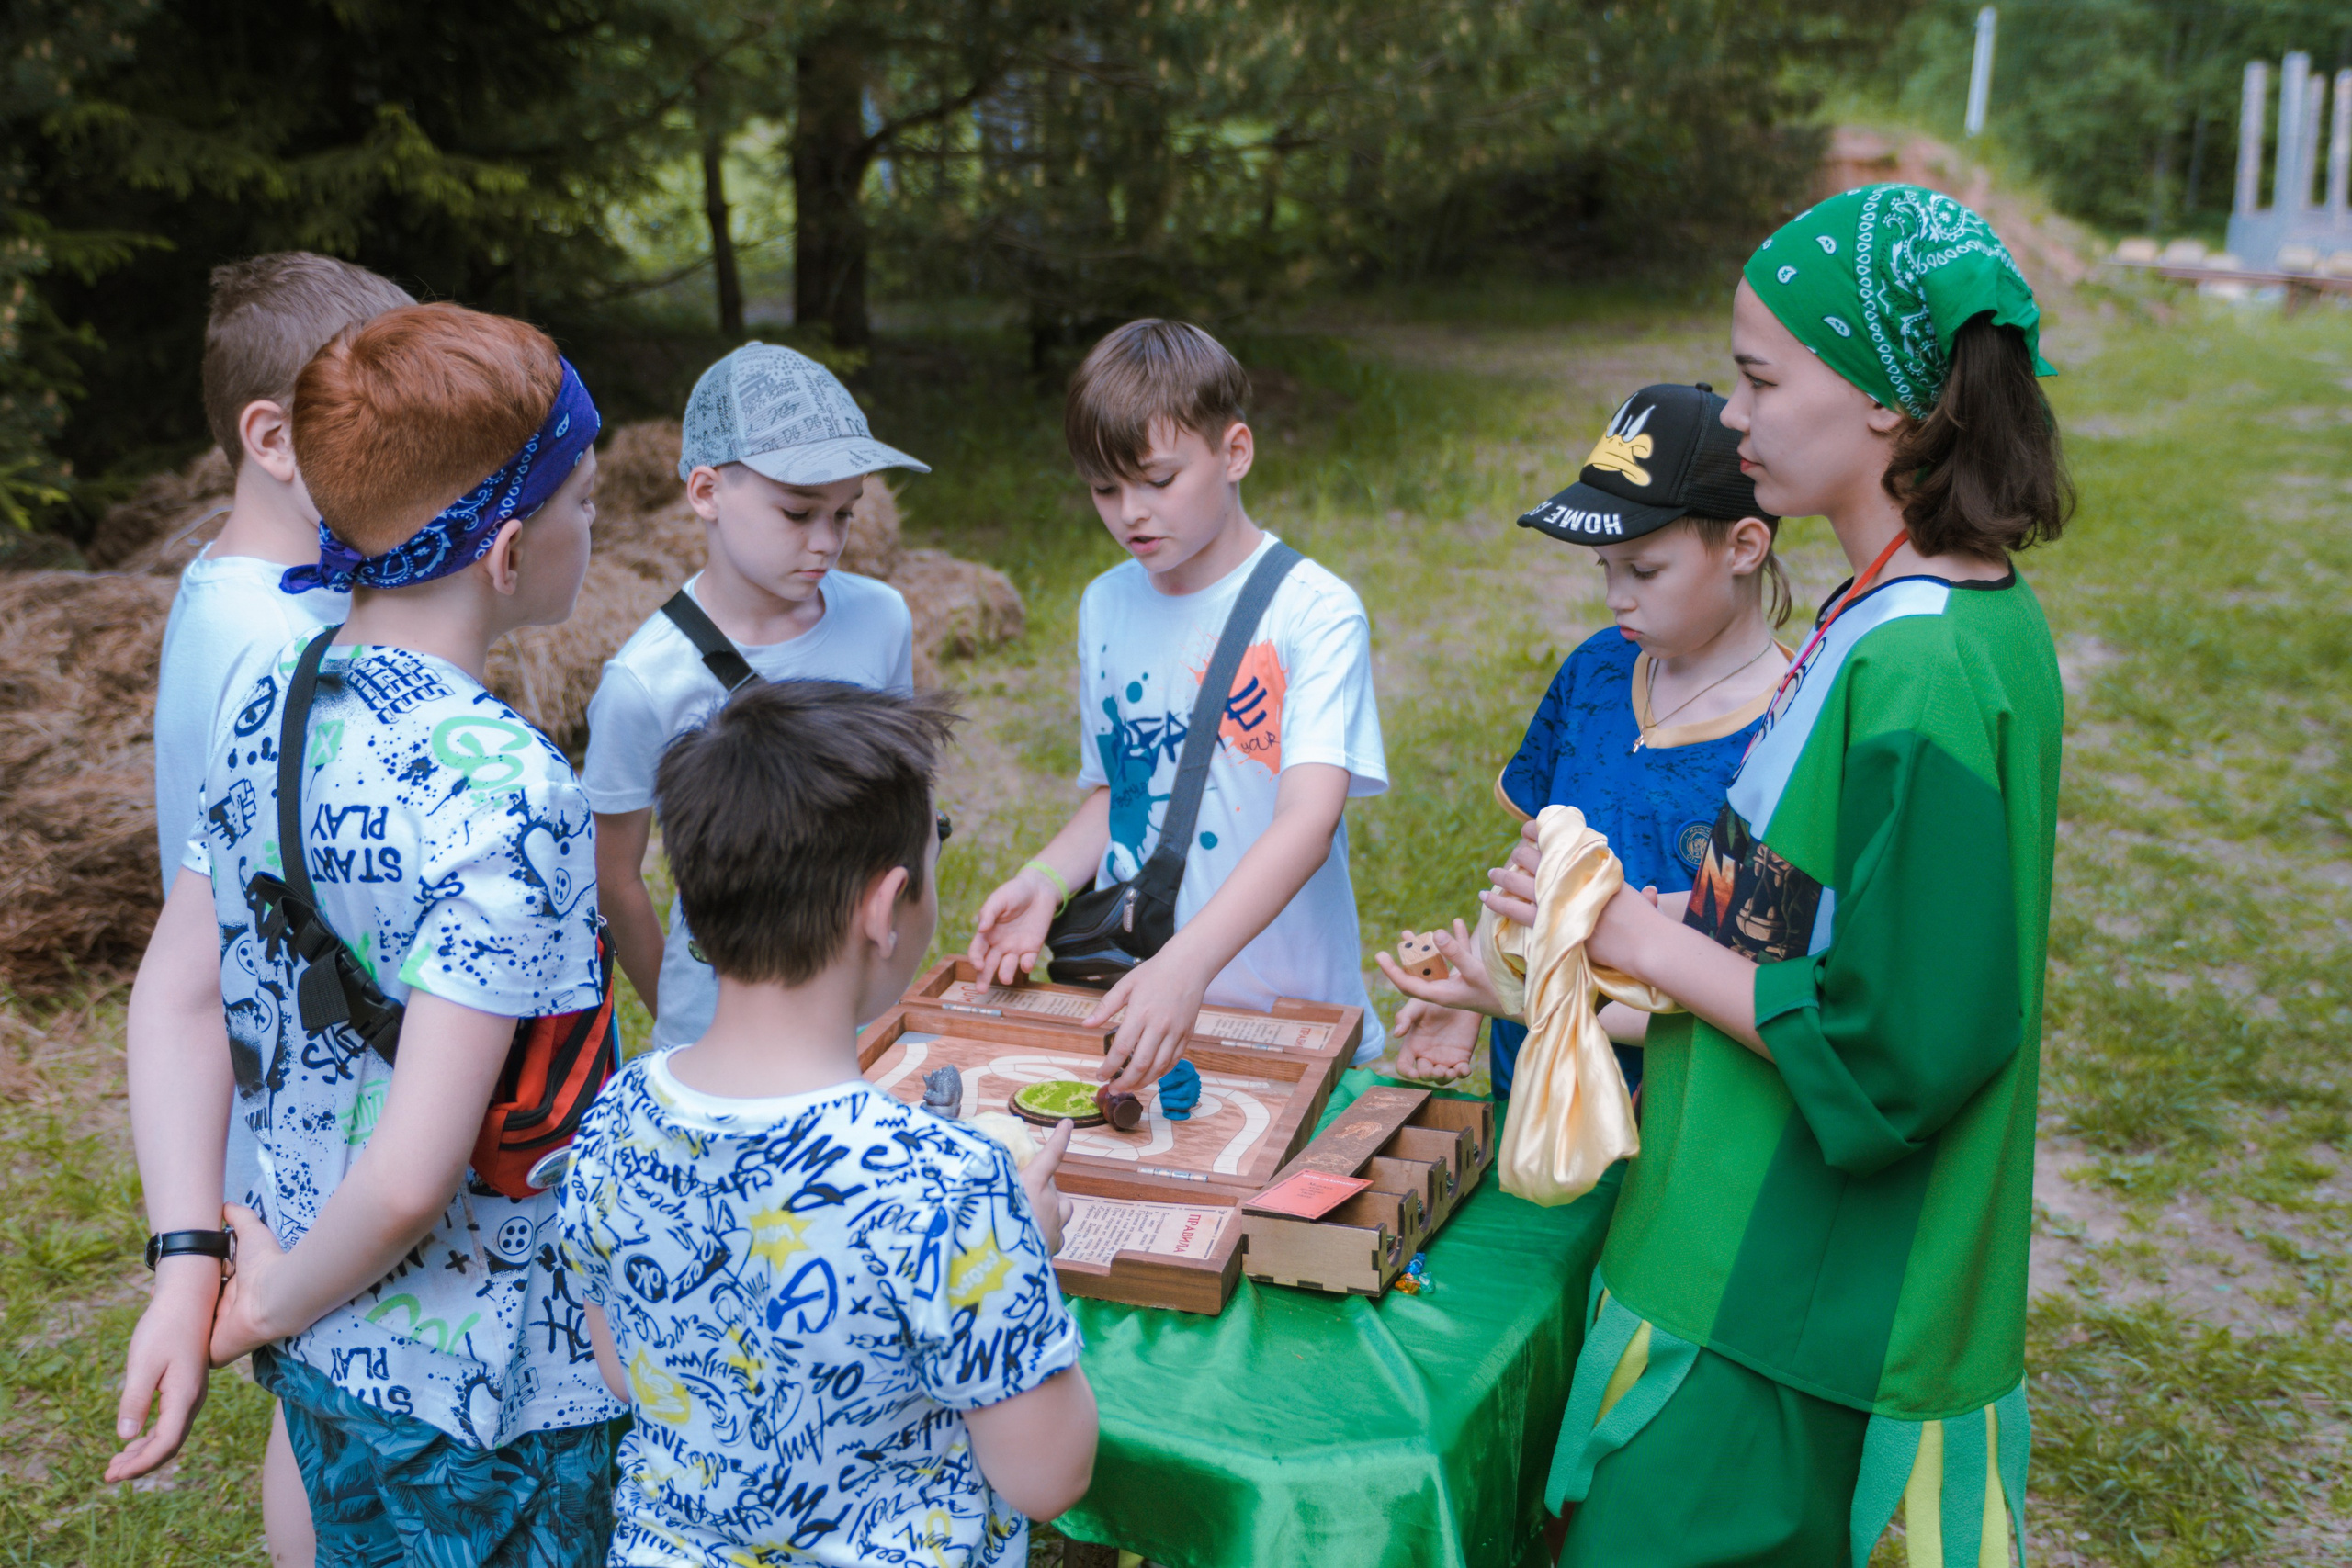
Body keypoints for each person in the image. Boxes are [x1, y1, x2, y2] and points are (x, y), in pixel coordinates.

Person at [1505, 185, 2069, 1565]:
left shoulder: (1929, 664)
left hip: (1797, 1306)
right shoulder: (1880, 609)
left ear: (1887, 400)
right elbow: (1807, 905)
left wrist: (1641, 938)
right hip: (1735, 1248)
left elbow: (1898, 1043)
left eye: (1760, 378)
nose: (1736, 413)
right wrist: (1635, 921)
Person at [108, 301, 623, 1568]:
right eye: (586, 500)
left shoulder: (269, 695)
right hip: (496, 1391)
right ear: (508, 551)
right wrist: (253, 1307)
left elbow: (177, 997)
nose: (596, 525)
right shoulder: (514, 792)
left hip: (311, 1304)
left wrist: (193, 1267)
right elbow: (406, 1178)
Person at [558, 678, 1096, 1567]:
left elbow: (625, 1372)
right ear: (885, 909)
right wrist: (1020, 1259)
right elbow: (1050, 1475)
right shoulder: (951, 1191)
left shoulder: (612, 1118)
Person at [147, 250, 414, 1568]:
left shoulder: (242, 588)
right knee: (327, 1394)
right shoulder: (287, 647)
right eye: (385, 428)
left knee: (314, 1381)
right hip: (314, 1081)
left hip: (277, 1058)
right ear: (272, 441)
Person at [968, 319, 1389, 1089]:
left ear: (1236, 452)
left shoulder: (1314, 611)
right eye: (1104, 488)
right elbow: (1122, 793)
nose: (1129, 511)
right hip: (1141, 1006)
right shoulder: (1104, 604)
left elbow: (1309, 819)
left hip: (1288, 1016)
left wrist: (1186, 964)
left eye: (1157, 481)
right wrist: (1045, 880)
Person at [1375, 382, 1792, 1101]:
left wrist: (1522, 998)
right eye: (1606, 565)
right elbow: (1532, 861)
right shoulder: (1598, 666)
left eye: (1645, 569)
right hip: (1532, 1089)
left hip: (1665, 1116)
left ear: (1744, 546)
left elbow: (1747, 990)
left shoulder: (1788, 734)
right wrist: (1478, 978)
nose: (1615, 596)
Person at [584, 342, 925, 1055]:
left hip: (863, 1024)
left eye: (845, 513)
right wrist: (686, 1018)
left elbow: (910, 808)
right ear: (706, 492)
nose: (827, 541)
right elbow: (613, 878)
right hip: (718, 1037)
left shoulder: (882, 618)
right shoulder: (646, 681)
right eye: (798, 513)